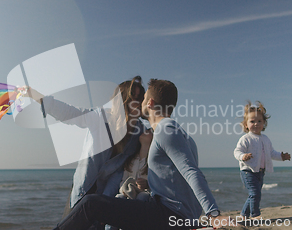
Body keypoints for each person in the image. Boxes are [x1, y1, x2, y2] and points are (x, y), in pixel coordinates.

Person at [53, 79, 233, 230]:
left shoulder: (166, 129)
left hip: (171, 215)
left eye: (144, 98)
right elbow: (176, 176)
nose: (140, 103)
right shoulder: (178, 133)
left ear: (151, 103)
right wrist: (151, 182)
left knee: (91, 204)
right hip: (172, 212)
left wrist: (213, 214)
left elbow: (191, 172)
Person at [25, 76, 147, 222]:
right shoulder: (100, 117)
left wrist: (148, 182)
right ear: (122, 100)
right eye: (134, 97)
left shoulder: (140, 133)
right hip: (83, 187)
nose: (138, 103)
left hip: (108, 194)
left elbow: (145, 159)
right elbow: (71, 113)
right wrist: (38, 97)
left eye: (141, 98)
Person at [233, 101, 291, 220]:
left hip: (260, 172)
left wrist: (281, 156)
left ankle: (244, 215)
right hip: (248, 171)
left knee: (253, 195)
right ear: (246, 124)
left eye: (259, 121)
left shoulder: (265, 139)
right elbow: (237, 151)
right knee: (255, 194)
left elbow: (271, 153)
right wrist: (242, 156)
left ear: (264, 123)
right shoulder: (246, 139)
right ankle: (255, 215)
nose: (256, 124)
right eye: (252, 121)